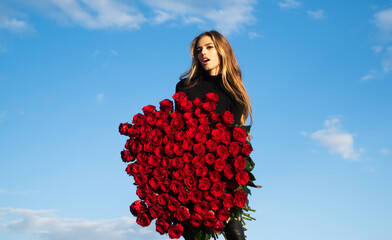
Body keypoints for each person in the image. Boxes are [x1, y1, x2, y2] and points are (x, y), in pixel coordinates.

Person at [175, 30, 252, 240]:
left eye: (209, 47)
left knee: (235, 233)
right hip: (191, 169)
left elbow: (233, 134)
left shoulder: (234, 91)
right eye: (199, 50)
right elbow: (177, 128)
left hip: (224, 170)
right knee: (194, 235)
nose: (203, 53)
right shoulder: (185, 86)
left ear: (222, 50)